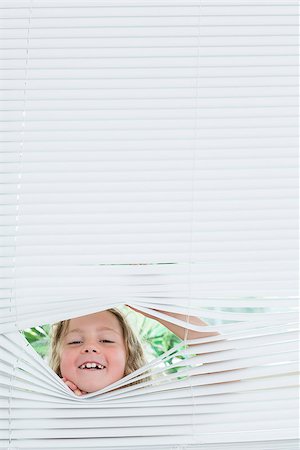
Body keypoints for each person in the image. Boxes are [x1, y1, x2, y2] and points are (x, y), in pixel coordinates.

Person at [49, 306, 217, 396]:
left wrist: (164, 311)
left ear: (129, 356)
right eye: (75, 341)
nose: (90, 347)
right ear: (59, 358)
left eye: (106, 340)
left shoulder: (156, 406)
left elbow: (233, 366)